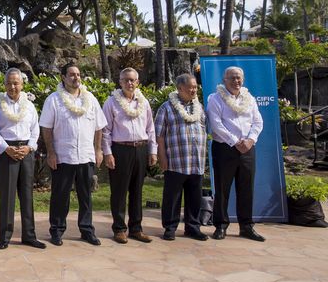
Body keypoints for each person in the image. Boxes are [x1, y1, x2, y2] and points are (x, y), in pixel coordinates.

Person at [39, 62, 105, 247]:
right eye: (72, 74)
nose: (76, 77)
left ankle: (87, 230)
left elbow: (99, 126)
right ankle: (57, 231)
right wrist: (51, 153)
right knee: (60, 196)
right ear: (63, 77)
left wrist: (98, 149)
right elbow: (46, 128)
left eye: (78, 74)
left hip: (85, 156)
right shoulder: (53, 99)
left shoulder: (90, 98)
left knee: (86, 196)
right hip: (63, 156)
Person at [206, 66, 265, 241]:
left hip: (247, 149)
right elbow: (216, 124)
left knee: (246, 188)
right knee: (222, 189)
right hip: (224, 148)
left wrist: (250, 140)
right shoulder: (215, 99)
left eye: (238, 78)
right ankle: (221, 226)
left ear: (243, 79)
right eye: (231, 78)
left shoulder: (250, 98)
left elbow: (258, 121)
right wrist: (235, 141)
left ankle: (246, 226)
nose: (235, 81)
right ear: (224, 80)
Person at [101, 67, 158, 244]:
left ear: (138, 82)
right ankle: (119, 228)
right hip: (120, 150)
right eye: (126, 80)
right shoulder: (111, 102)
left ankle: (136, 228)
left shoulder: (144, 102)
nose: (129, 83)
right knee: (119, 191)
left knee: (137, 190)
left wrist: (152, 150)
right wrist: (108, 153)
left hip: (140, 149)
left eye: (132, 80)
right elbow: (105, 131)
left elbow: (150, 128)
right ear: (120, 82)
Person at [0, 68, 44, 250]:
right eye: (9, 83)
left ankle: (29, 235)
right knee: (7, 196)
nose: (13, 86)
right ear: (5, 84)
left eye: (16, 83)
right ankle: (5, 236)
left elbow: (35, 129)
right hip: (7, 152)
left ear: (22, 85)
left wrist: (29, 146)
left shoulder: (29, 106)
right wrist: (6, 148)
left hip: (26, 152)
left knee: (27, 195)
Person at [155, 73, 209, 241]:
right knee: (172, 197)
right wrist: (162, 156)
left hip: (196, 161)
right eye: (190, 87)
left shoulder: (198, 107)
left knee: (194, 197)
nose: (193, 90)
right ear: (179, 89)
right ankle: (170, 227)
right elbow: (159, 135)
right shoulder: (166, 107)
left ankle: (193, 227)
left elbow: (205, 128)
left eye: (195, 87)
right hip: (176, 161)